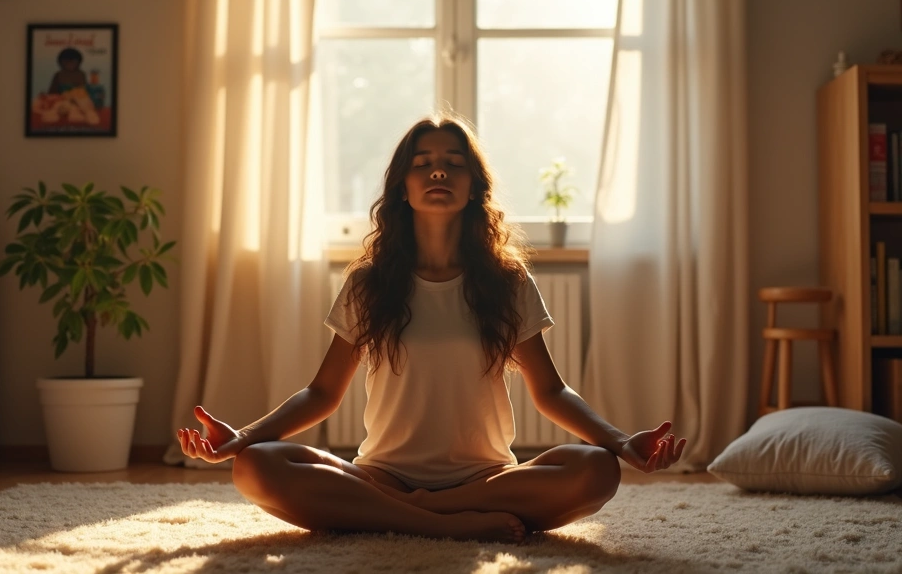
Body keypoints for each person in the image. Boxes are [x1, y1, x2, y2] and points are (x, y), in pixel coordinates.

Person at [177, 114, 685, 544]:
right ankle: (447, 527)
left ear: (472, 187)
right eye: (422, 163)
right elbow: (321, 392)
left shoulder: (507, 282)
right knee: (255, 466)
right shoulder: (368, 283)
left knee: (596, 470)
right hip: (382, 475)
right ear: (403, 186)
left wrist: (621, 443)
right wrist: (241, 438)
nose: (438, 170)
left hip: (485, 479)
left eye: (453, 163)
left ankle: (409, 514)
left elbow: (550, 392)